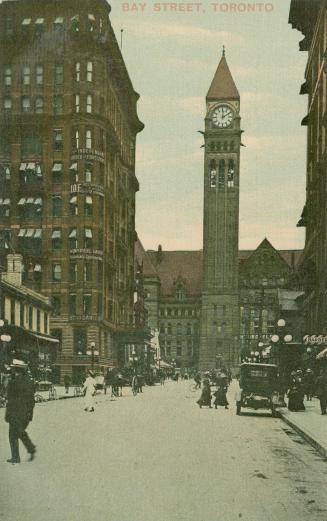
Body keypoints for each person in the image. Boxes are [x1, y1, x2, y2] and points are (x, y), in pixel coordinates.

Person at [5, 359, 36, 464]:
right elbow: (32, 400)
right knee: (20, 432)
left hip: (15, 414)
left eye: (13, 369)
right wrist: (30, 414)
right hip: (25, 413)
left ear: (16, 370)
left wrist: (7, 415)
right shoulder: (29, 382)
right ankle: (31, 448)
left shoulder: (13, 382)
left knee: (13, 435)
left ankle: (16, 457)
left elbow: (10, 400)